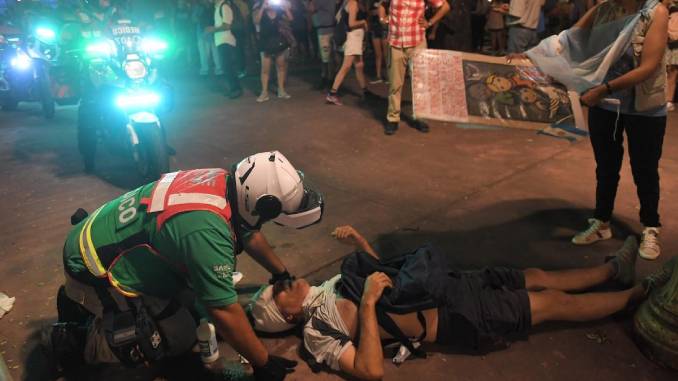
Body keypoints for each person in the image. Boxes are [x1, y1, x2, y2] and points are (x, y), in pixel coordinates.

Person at [249, 225, 674, 380]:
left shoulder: (326, 285)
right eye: (279, 288)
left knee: (537, 276)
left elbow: (391, 280)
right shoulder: (316, 334)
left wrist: (361, 244)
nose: (285, 280)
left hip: (450, 284)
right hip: (457, 316)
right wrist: (366, 306)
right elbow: (370, 370)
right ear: (284, 313)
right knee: (549, 303)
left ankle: (610, 273)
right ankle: (636, 296)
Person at [51, 152, 324, 380]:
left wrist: (280, 273)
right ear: (264, 204)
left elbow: (248, 230)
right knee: (175, 337)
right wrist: (262, 363)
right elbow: (223, 311)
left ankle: (108, 309)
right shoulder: (205, 230)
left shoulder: (223, 181)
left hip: (104, 235)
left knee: (194, 311)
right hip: (94, 268)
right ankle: (76, 336)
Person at [529, 0, 668, 260]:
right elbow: (567, 41)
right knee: (606, 167)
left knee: (645, 169)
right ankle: (601, 221)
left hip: (643, 108)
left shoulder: (654, 13)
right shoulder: (604, 9)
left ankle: (651, 226)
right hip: (605, 105)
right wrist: (531, 58)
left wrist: (602, 90)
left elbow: (648, 67)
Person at [384, 0, 450, 135]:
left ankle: (420, 117)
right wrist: (382, 18)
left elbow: (445, 6)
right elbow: (381, 4)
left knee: (420, 83)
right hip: (396, 42)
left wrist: (430, 23)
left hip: (417, 42)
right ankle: (393, 118)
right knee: (395, 84)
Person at [325, 0, 369, 105]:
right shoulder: (352, 3)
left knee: (359, 65)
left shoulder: (355, 3)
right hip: (353, 38)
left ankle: (365, 91)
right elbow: (351, 23)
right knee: (346, 66)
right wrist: (363, 22)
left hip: (357, 38)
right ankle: (332, 93)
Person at [254, 0, 294, 102]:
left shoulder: (279, 11)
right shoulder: (259, 9)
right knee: (265, 69)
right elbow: (256, 21)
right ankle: (264, 92)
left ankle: (281, 90)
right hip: (265, 43)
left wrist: (285, 7)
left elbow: (291, 18)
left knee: (281, 67)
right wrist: (263, 7)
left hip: (278, 42)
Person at [206, 0, 243, 98]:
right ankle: (234, 88)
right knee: (226, 67)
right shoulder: (218, 7)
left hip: (226, 41)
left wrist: (213, 29)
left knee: (228, 67)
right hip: (222, 41)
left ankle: (236, 89)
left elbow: (227, 25)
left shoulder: (224, 7)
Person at [309, 0, 339, 89]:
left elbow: (310, 8)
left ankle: (327, 79)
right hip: (331, 29)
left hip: (324, 31)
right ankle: (330, 78)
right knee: (330, 57)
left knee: (326, 58)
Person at [195, 0, 224, 76]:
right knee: (205, 53)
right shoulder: (199, 7)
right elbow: (194, 18)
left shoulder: (213, 6)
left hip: (212, 31)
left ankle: (217, 69)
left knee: (214, 52)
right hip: (203, 32)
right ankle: (206, 69)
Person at [368, 0, 389, 83]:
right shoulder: (373, 2)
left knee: (386, 54)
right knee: (378, 54)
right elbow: (370, 13)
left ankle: (388, 76)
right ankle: (378, 76)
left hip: (384, 29)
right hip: (375, 28)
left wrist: (379, 12)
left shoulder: (387, 2)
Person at [665, 0, 678, 110]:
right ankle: (667, 99)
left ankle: (669, 100)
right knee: (669, 71)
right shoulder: (668, 10)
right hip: (668, 45)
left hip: (674, 46)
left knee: (672, 72)